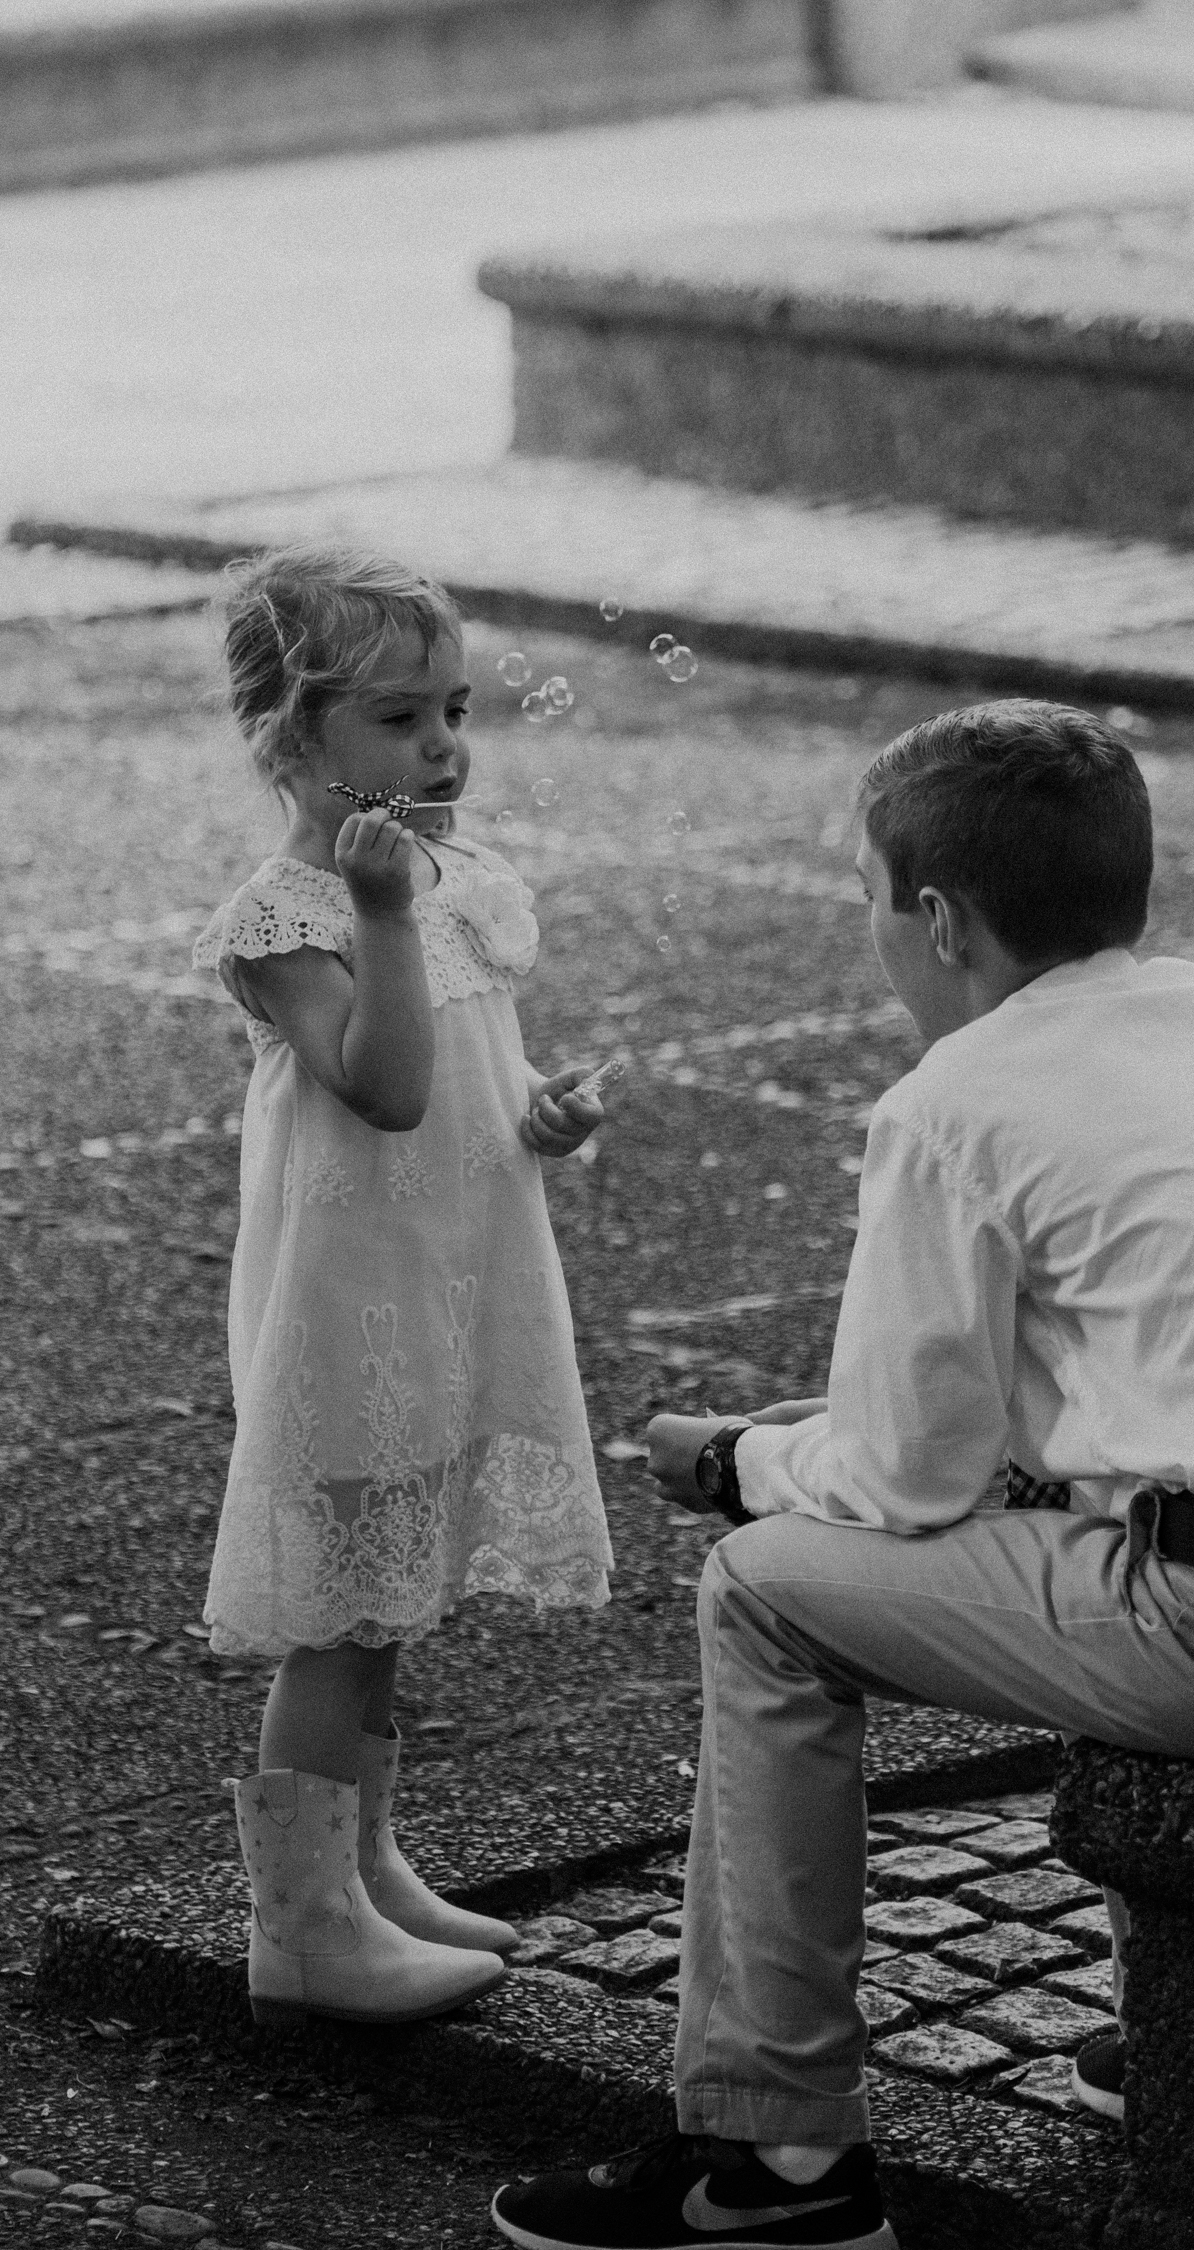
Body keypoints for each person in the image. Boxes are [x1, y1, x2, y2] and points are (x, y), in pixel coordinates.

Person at [490, 699, 1194, 2250]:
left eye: (868, 892)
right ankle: (1172, 2032)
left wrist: (750, 1462)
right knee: (1113, 1512)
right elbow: (1074, 1418)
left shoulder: (956, 1103)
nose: (870, 928)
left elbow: (899, 1481)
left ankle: (774, 2165)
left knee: (763, 1591)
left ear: (941, 917)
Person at [194, 545, 614, 2029]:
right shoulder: (291, 919)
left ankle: (366, 1864)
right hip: (348, 1302)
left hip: (452, 1271)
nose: (444, 747)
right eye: (398, 719)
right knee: (338, 1606)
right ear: (291, 738)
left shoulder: (456, 881)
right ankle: (299, 1925)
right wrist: (378, 915)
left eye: (455, 710)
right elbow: (379, 1086)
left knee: (394, 1596)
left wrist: (539, 1112)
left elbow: (462, 1082)